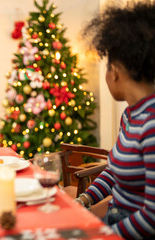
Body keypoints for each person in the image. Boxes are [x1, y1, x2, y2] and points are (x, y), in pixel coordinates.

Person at [76, 2, 155, 239]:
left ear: (116, 71)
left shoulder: (151, 126)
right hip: (114, 220)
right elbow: (115, 171)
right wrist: (84, 199)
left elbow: (152, 217)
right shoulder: (131, 116)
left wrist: (103, 234)